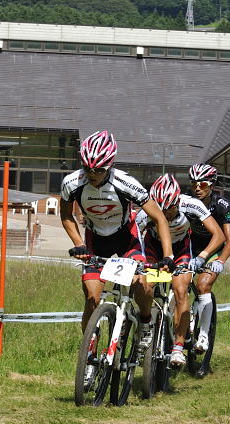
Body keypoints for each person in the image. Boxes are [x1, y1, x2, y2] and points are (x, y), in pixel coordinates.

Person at [60, 131, 174, 353]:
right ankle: (90, 354)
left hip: (126, 238)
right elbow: (66, 216)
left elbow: (159, 217)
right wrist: (79, 244)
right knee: (92, 297)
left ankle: (145, 321)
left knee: (141, 283)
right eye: (87, 168)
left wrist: (168, 255)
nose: (92, 174)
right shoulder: (71, 182)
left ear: (109, 165)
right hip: (95, 240)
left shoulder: (126, 182)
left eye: (99, 169)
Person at [135, 173, 224, 366]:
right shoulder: (146, 212)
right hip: (154, 248)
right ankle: (147, 325)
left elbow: (218, 235)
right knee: (145, 286)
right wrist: (137, 260)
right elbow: (136, 237)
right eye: (161, 209)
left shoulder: (191, 204)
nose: (165, 213)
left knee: (181, 290)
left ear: (177, 201)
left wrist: (201, 257)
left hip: (181, 249)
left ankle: (178, 346)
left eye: (170, 208)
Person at [187, 164, 230, 356]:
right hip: (191, 248)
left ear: (212, 185)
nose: (198, 188)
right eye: (194, 184)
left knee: (203, 286)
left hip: (214, 250)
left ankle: (204, 335)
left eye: (203, 184)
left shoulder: (222, 205)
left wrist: (220, 261)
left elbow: (229, 240)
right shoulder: (187, 201)